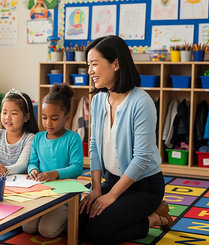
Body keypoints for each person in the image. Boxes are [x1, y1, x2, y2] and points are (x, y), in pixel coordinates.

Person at [78, 35, 172, 244]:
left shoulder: (141, 102)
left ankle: (154, 217)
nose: (90, 71)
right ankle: (138, 211)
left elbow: (142, 158)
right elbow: (94, 146)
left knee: (98, 232)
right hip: (111, 180)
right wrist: (96, 189)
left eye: (94, 64)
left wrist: (111, 196)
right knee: (76, 222)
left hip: (144, 186)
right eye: (88, 65)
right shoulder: (98, 100)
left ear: (116, 64)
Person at [23, 83, 84, 238]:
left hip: (64, 197)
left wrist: (55, 174)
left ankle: (74, 217)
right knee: (28, 227)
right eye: (44, 117)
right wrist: (33, 170)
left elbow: (77, 167)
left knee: (47, 231)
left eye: (54, 118)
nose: (48, 123)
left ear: (67, 117)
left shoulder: (73, 138)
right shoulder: (38, 138)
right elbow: (32, 161)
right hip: (42, 194)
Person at [0, 89, 39, 177]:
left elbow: (22, 165)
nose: (7, 117)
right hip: (0, 181)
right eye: (4, 112)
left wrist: (6, 170)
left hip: (20, 182)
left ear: (26, 117)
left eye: (13, 113)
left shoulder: (30, 138)